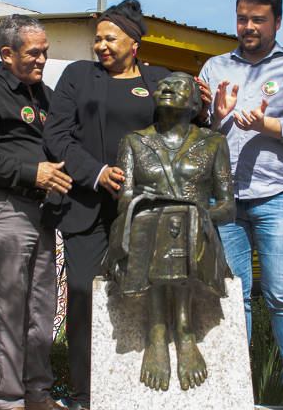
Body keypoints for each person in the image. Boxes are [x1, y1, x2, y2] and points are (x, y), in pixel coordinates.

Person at [197, 0, 283, 410]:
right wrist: (217, 115)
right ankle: (235, 389)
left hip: (279, 194)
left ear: (277, 22)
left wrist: (267, 126)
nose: (248, 27)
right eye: (242, 18)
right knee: (234, 295)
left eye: (258, 19)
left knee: (282, 294)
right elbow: (199, 137)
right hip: (226, 198)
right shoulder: (215, 67)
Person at [42, 0, 170, 410]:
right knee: (82, 292)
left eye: (109, 37)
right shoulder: (78, 76)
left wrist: (212, 112)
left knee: (146, 295)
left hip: (144, 210)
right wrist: (97, 173)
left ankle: (140, 388)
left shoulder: (158, 81)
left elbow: (183, 130)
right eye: (97, 38)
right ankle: (85, 392)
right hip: (88, 206)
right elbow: (57, 137)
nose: (100, 45)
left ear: (134, 43)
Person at [0, 14, 71, 410]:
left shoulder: (47, 95)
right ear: (6, 54)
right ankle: (9, 399)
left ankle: (38, 394)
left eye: (45, 51)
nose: (43, 59)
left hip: (43, 214)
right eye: (34, 53)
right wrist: (32, 171)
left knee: (42, 309)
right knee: (10, 308)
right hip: (4, 208)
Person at [103, 72, 234, 391]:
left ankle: (171, 331)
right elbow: (125, 200)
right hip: (145, 230)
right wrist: (161, 206)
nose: (166, 88)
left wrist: (198, 214)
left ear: (194, 102)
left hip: (196, 234)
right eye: (162, 85)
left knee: (180, 218)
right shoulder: (134, 141)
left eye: (178, 86)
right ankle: (168, 333)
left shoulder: (214, 142)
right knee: (159, 219)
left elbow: (228, 207)